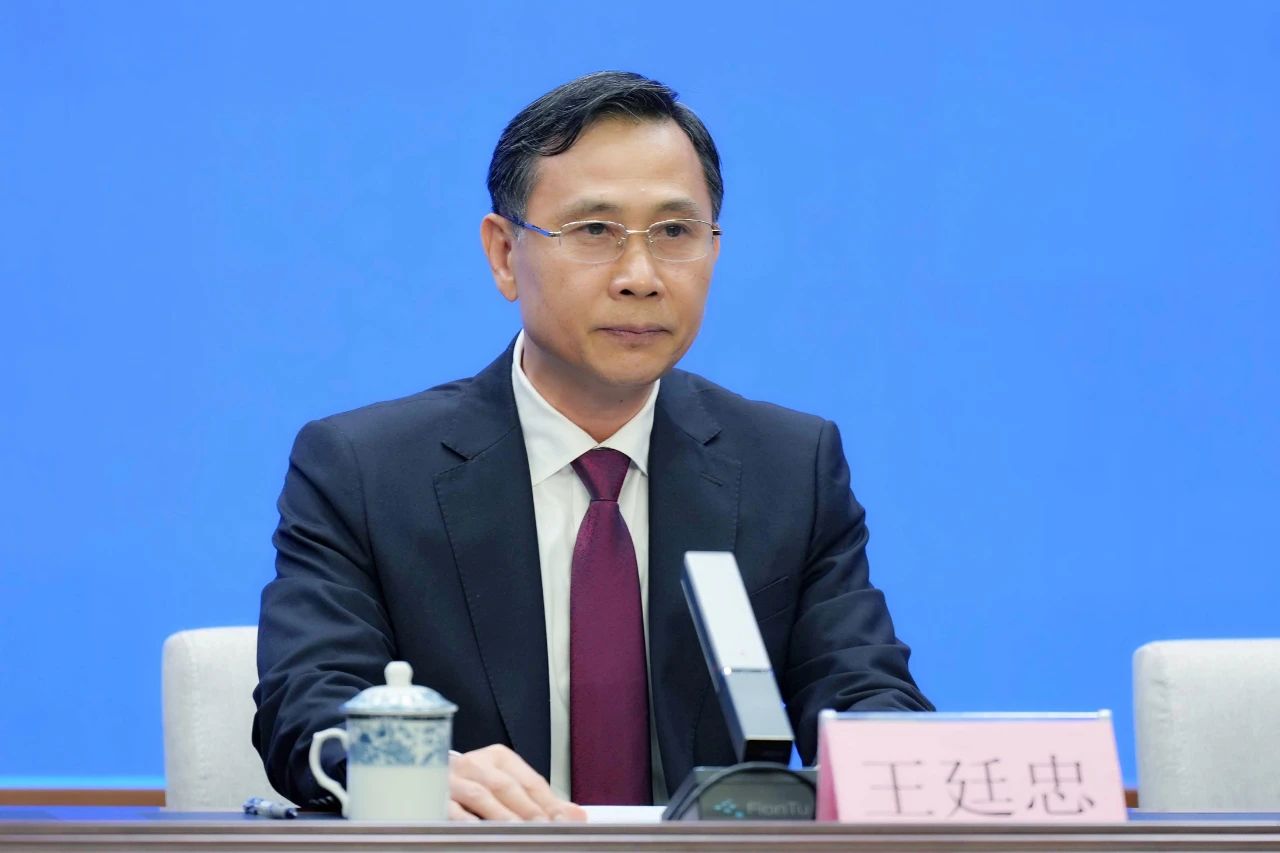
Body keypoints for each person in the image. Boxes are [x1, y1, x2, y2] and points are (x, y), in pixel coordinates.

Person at [253, 70, 931, 821]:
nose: (640, 277)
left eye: (675, 232)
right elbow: (308, 701)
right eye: (595, 232)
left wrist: (901, 766)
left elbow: (864, 691)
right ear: (504, 254)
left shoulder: (789, 466)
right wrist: (408, 770)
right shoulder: (365, 470)